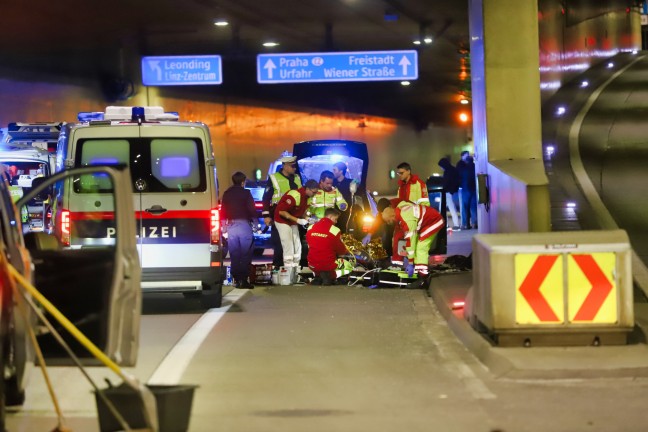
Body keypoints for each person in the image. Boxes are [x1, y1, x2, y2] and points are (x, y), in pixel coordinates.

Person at [382, 201, 444, 286]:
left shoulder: (407, 219)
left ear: (392, 216)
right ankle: (420, 271)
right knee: (418, 246)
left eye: (388, 221)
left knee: (421, 248)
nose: (389, 223)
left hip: (434, 221)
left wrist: (411, 263)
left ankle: (423, 278)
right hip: (428, 221)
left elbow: (410, 241)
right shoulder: (400, 210)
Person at [262, 155, 302, 269]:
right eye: (292, 166)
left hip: (293, 215)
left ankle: (293, 268)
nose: (294, 169)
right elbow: (266, 198)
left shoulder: (297, 178)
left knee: (294, 243)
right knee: (279, 244)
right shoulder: (274, 178)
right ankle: (278, 267)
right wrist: (266, 216)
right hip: (278, 215)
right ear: (285, 166)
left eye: (295, 166)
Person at [220, 171, 257, 289]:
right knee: (246, 253)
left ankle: (236, 279)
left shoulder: (227, 193)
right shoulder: (246, 193)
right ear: (243, 182)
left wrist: (223, 226)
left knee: (235, 254)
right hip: (244, 225)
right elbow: (252, 209)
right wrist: (256, 223)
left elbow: (223, 211)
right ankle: (243, 280)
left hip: (231, 227)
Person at [274, 179, 319, 273]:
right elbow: (282, 212)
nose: (314, 194)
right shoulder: (295, 195)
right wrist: (298, 220)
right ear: (308, 189)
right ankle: (288, 270)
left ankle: (296, 270)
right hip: (282, 220)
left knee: (297, 245)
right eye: (313, 192)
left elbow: (300, 211)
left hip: (292, 220)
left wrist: (307, 219)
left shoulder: (308, 197)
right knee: (288, 244)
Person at [306, 208, 350, 285]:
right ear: (330, 216)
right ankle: (331, 277)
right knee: (347, 262)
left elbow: (309, 245)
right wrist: (347, 251)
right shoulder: (335, 230)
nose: (336, 222)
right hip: (327, 265)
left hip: (312, 264)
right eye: (335, 219)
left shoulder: (310, 227)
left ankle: (318, 277)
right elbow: (341, 250)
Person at [438, 157, 460, 230]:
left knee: (444, 209)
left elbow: (447, 182)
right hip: (450, 192)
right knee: (451, 209)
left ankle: (448, 224)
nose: (441, 168)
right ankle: (455, 224)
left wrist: (446, 189)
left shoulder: (448, 171)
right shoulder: (452, 170)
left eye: (441, 166)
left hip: (447, 192)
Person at [456, 151, 477, 230]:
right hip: (474, 189)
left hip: (465, 189)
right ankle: (475, 223)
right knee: (473, 207)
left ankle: (466, 224)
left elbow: (459, 177)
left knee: (465, 207)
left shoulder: (463, 168)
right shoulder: (475, 167)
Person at [332, 161, 354, 233]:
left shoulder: (350, 183)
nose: (333, 172)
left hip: (345, 213)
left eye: (334, 170)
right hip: (333, 212)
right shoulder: (332, 183)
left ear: (341, 171)